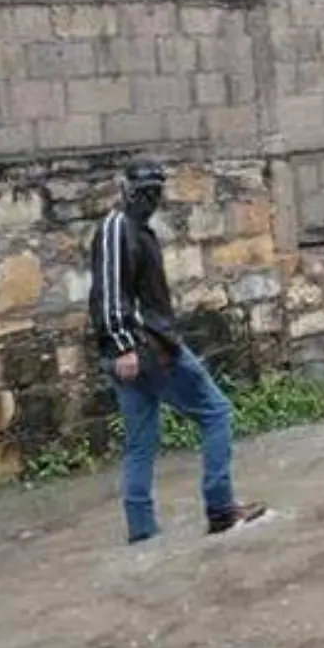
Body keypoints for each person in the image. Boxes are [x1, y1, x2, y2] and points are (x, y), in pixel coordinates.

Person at [89, 159, 266, 543]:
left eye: (155, 191)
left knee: (142, 441)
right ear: (127, 190)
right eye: (145, 191)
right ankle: (220, 509)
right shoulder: (117, 227)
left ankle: (142, 532)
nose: (150, 198)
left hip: (140, 349)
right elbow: (109, 292)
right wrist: (123, 345)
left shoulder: (135, 229)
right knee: (216, 412)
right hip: (147, 347)